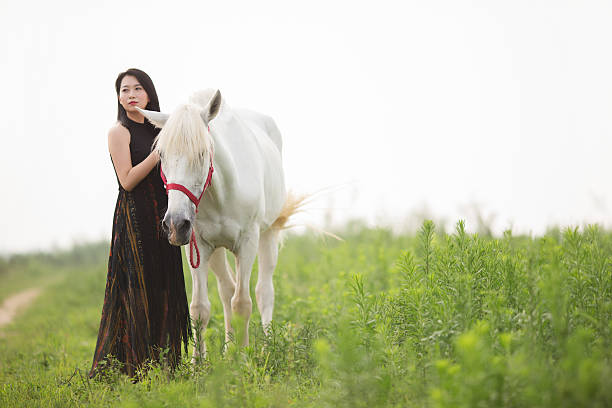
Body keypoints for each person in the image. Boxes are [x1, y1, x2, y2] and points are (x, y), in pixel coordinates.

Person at [90, 68, 191, 378]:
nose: (130, 95)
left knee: (165, 287)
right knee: (136, 291)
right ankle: (135, 368)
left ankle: (167, 366)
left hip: (163, 215)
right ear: (118, 98)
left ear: (149, 94)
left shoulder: (161, 127)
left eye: (137, 89)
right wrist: (158, 152)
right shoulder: (118, 132)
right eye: (124, 90)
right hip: (134, 219)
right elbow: (128, 180)